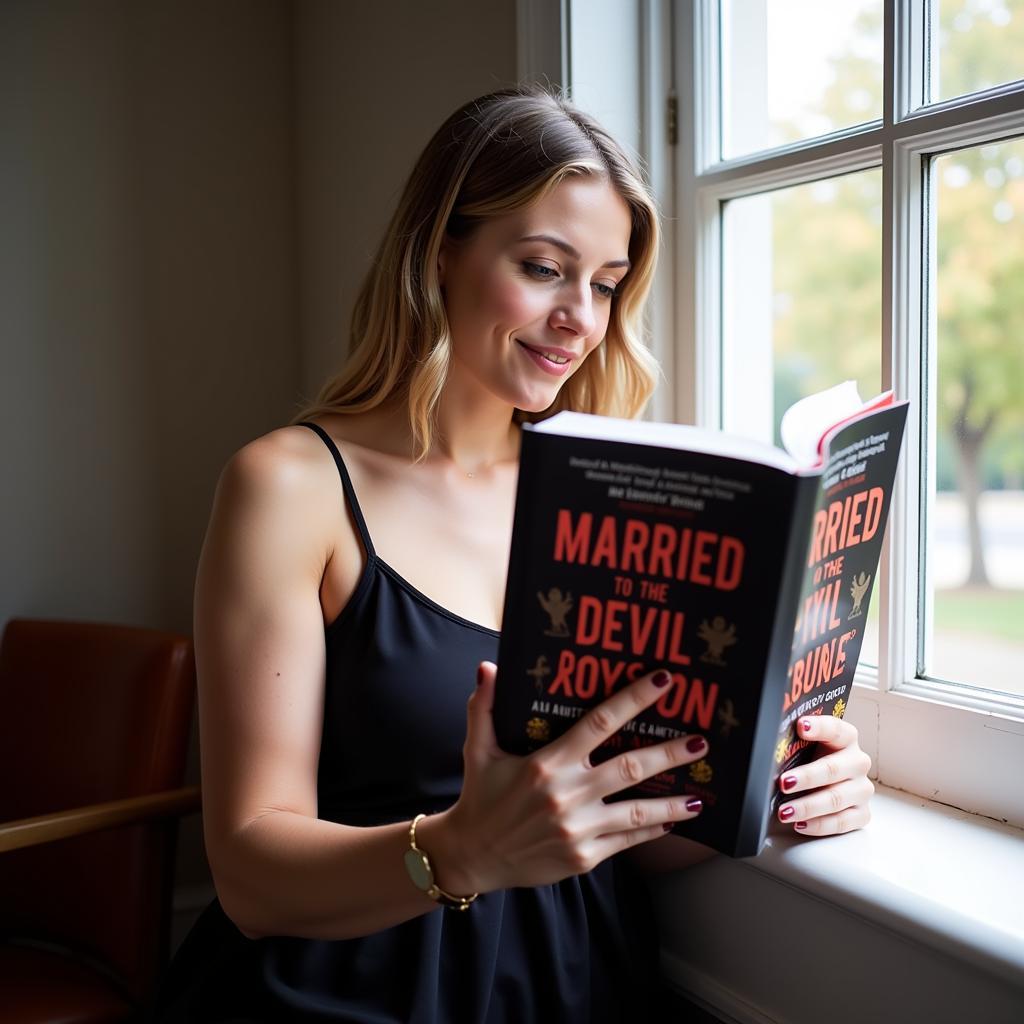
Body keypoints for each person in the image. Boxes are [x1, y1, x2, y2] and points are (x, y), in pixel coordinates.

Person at [149, 85, 874, 1023]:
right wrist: (463, 850)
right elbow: (250, 873)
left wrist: (766, 787)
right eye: (543, 267)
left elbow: (605, 825)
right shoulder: (290, 486)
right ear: (440, 250)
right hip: (349, 992)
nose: (581, 316)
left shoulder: (611, 499)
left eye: (607, 284)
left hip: (581, 983)